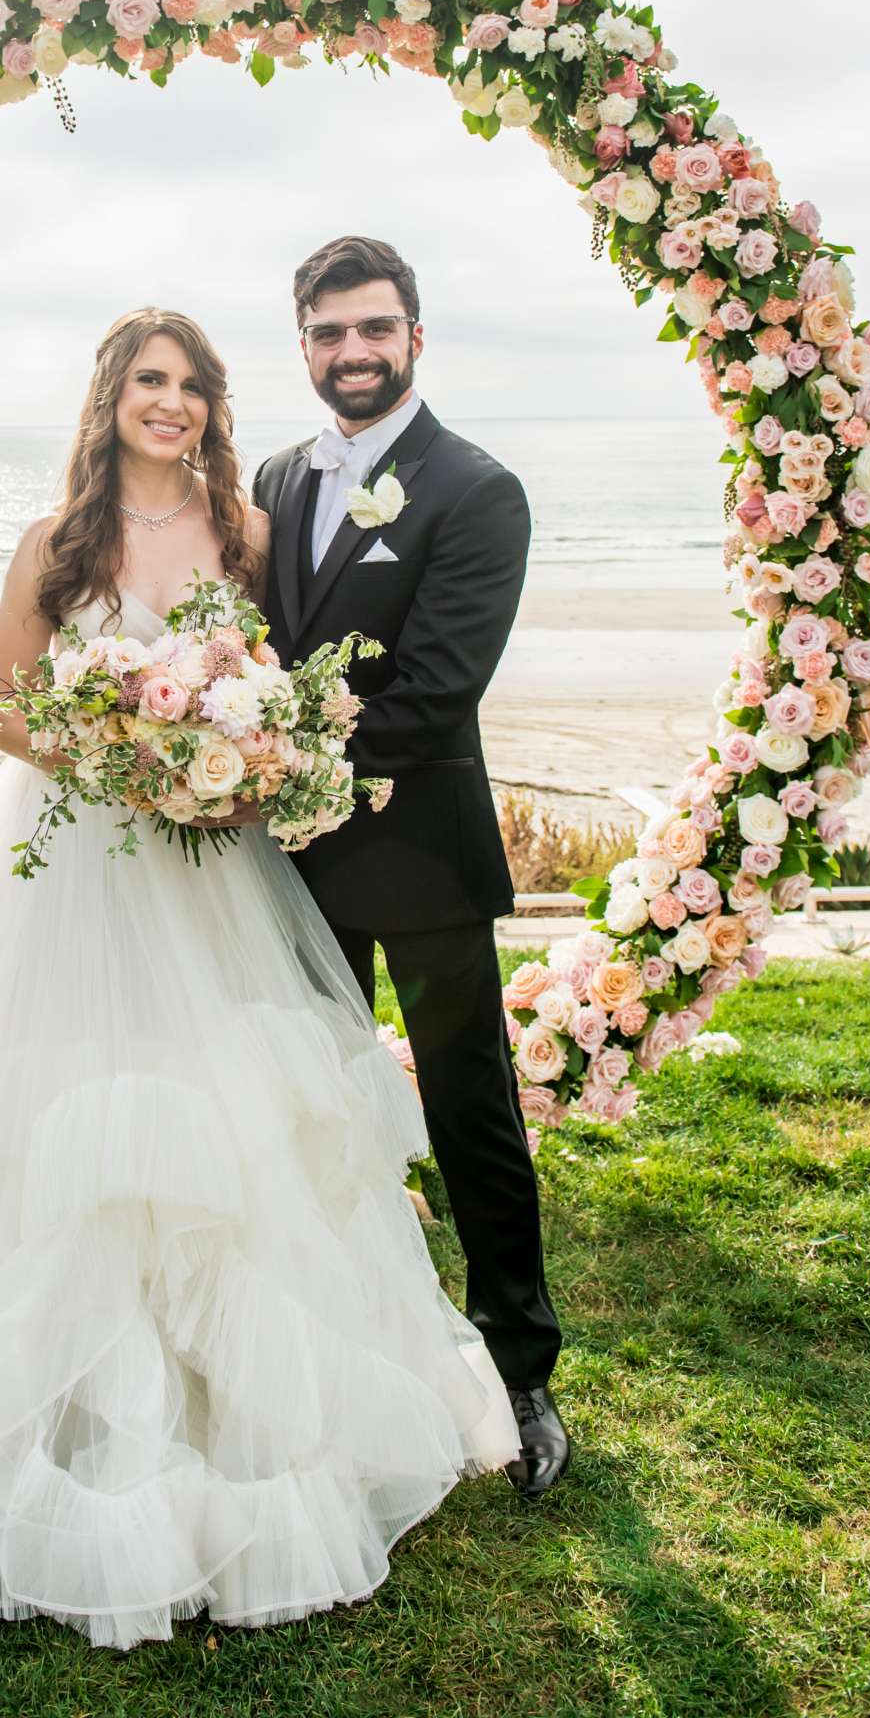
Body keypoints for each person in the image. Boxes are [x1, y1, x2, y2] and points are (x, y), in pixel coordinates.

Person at [0, 307, 523, 1653]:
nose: (170, 404)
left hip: (210, 869)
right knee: (29, 1117)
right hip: (68, 856)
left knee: (224, 1127)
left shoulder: (245, 536)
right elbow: (9, 704)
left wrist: (219, 756)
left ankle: (230, 1403)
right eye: (148, 382)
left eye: (190, 384)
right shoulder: (53, 543)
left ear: (213, 404)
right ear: (109, 399)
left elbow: (276, 686)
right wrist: (123, 756)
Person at [251, 237, 570, 1497]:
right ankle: (324, 1345)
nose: (353, 353)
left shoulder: (478, 491)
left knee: (469, 1111)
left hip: (423, 859)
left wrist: (271, 775)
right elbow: (251, 649)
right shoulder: (274, 476)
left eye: (374, 329)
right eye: (329, 334)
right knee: (293, 1101)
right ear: (306, 345)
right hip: (286, 868)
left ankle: (521, 1368)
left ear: (417, 337)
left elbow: (435, 691)